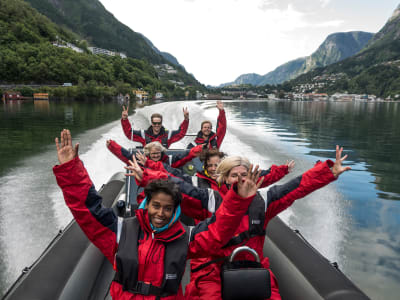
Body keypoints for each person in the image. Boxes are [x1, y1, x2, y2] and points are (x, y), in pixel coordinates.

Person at [53, 129, 264, 300]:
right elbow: (88, 210)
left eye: (168, 208)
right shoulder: (121, 231)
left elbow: (218, 230)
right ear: (146, 204)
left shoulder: (185, 238)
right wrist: (71, 170)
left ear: (176, 210)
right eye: (156, 206)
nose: (160, 213)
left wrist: (238, 199)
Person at [140, 147, 350, 300]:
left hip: (253, 266)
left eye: (243, 175)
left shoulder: (265, 201)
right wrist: (147, 175)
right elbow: (177, 188)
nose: (239, 179)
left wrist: (327, 172)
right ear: (224, 178)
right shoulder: (209, 199)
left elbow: (296, 187)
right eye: (234, 175)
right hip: (210, 269)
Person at [121, 104, 189, 148]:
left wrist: (186, 119)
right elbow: (129, 134)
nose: (157, 125)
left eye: (159, 123)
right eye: (154, 123)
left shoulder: (168, 135)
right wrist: (125, 119)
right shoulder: (143, 134)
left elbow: (181, 133)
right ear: (151, 123)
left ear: (161, 123)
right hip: (148, 164)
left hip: (163, 164)